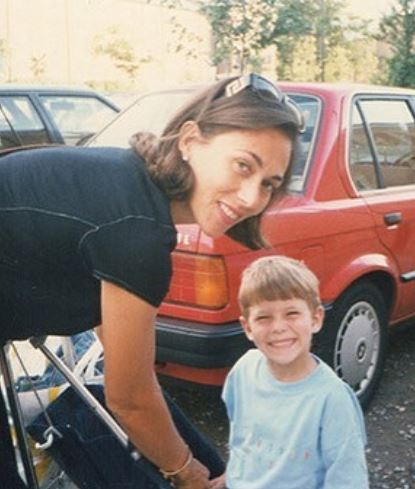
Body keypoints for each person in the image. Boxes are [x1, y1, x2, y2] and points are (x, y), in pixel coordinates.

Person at [0, 73, 304, 489]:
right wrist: (188, 473)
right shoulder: (138, 228)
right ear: (190, 140)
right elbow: (130, 398)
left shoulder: (131, 185)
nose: (253, 197)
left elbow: (126, 364)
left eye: (268, 184)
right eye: (242, 165)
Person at [209, 255, 369, 489]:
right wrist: (233, 475)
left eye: (292, 314)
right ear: (247, 327)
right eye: (264, 317)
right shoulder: (243, 370)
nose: (279, 328)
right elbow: (243, 438)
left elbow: (347, 479)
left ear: (315, 319)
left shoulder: (332, 398)